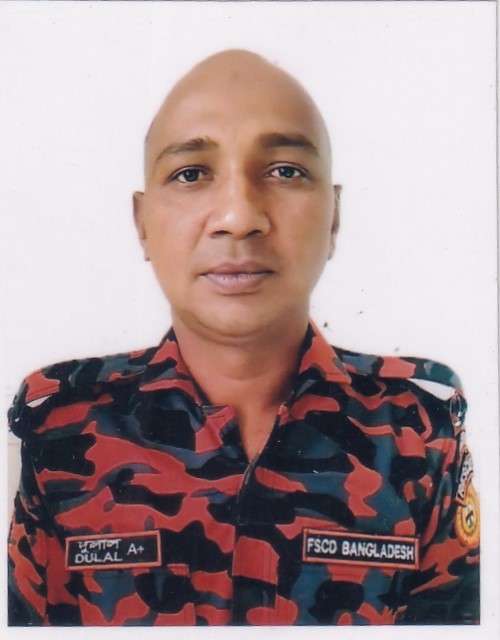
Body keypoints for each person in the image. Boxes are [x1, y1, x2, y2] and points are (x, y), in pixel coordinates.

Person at [8, 49, 479, 626]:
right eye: (191, 174)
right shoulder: (61, 434)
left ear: (333, 216)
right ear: (143, 223)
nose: (238, 216)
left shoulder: (418, 437)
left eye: (285, 171)